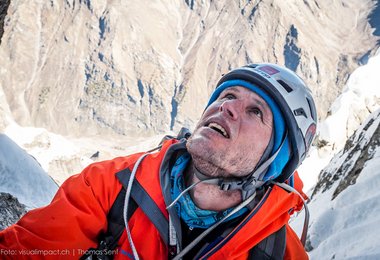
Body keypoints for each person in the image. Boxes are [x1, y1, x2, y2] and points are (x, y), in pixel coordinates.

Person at [0, 63, 317, 260]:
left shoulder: (278, 254)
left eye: (255, 112)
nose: (228, 108)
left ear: (276, 160)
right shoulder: (113, 186)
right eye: (228, 95)